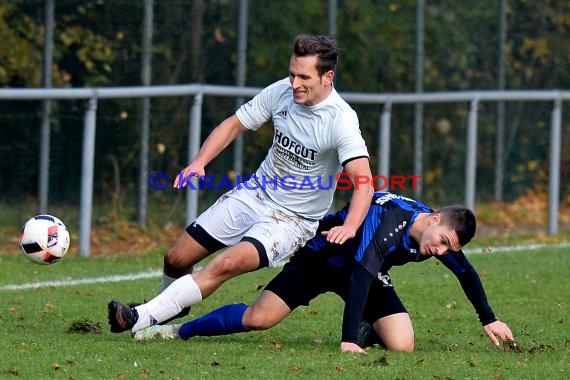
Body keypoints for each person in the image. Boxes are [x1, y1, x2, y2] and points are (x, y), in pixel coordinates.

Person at [107, 34, 374, 334]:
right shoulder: (282, 92)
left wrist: (350, 226)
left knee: (225, 265)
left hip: (291, 221)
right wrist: (199, 162)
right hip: (254, 193)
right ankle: (169, 307)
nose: (295, 83)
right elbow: (234, 124)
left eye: (304, 77)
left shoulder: (341, 121)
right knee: (176, 258)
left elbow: (364, 183)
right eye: (291, 74)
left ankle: (140, 316)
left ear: (328, 77)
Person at [132, 192, 515, 354]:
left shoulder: (432, 237)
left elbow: (466, 273)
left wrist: (489, 319)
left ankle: (370, 332)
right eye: (444, 240)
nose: (441, 250)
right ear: (433, 219)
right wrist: (347, 341)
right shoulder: (392, 221)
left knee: (403, 344)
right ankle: (175, 329)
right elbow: (362, 274)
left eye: (449, 247)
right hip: (323, 259)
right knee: (258, 319)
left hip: (363, 270)